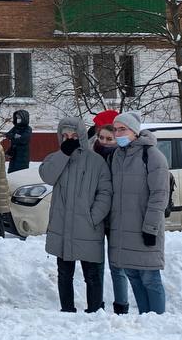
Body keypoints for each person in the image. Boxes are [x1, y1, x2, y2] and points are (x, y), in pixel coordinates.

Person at [40, 116, 113, 313]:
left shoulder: (96, 162)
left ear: (81, 136)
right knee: (64, 273)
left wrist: (93, 217)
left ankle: (95, 310)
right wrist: (63, 155)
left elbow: (105, 192)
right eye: (65, 136)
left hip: (88, 227)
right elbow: (46, 176)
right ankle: (67, 310)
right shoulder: (56, 158)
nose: (69, 139)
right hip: (62, 227)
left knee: (92, 275)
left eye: (73, 135)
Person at [108, 111, 170, 314]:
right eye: (115, 130)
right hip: (123, 230)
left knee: (150, 278)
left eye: (122, 129)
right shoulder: (117, 155)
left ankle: (158, 320)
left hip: (145, 228)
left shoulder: (152, 155)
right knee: (133, 275)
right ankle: (146, 319)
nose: (118, 134)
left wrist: (151, 228)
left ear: (134, 131)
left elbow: (159, 195)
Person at [91, 119, 129, 313]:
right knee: (96, 264)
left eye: (110, 138)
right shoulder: (91, 156)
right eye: (102, 137)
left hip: (116, 218)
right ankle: (96, 304)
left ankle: (121, 305)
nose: (105, 142)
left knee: (117, 265)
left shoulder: (122, 157)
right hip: (95, 218)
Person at [4, 108, 32, 173]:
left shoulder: (28, 129)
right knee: (11, 171)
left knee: (21, 172)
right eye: (17, 118)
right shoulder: (15, 127)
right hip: (13, 154)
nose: (18, 119)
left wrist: (14, 137)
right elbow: (8, 135)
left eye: (19, 118)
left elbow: (23, 139)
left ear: (24, 118)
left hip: (22, 155)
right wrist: (15, 136)